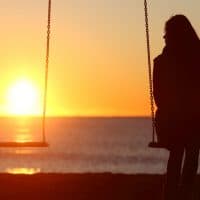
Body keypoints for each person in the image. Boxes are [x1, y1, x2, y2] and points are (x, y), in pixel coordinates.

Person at [153, 15, 200, 200]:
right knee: (189, 147)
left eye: (166, 35)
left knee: (183, 150)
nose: (164, 39)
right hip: (176, 122)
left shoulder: (163, 62)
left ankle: (175, 194)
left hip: (178, 122)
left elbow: (160, 98)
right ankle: (181, 193)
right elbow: (160, 98)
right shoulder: (163, 62)